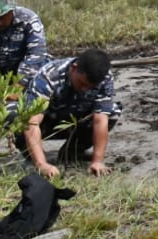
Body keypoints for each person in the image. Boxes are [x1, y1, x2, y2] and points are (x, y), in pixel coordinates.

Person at [16, 48, 121, 178]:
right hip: (48, 122)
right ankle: (33, 157)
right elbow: (31, 122)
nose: (85, 90)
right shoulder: (49, 75)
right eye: (82, 83)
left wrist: (97, 161)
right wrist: (41, 164)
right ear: (73, 68)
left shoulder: (104, 77)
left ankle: (72, 153)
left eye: (90, 87)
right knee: (14, 115)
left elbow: (101, 120)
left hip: (75, 120)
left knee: (113, 112)